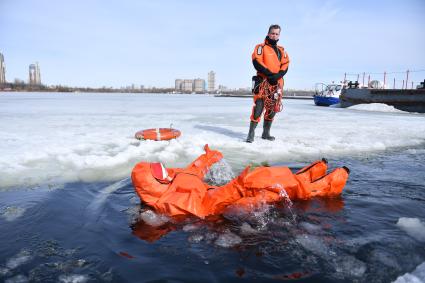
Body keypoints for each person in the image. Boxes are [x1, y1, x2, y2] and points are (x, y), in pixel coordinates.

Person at [246, 24, 290, 143]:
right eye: (272, 33)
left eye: (276, 34)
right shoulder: (260, 47)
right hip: (263, 82)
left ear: (279, 35)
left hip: (277, 84)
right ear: (268, 33)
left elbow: (286, 65)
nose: (274, 35)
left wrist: (277, 76)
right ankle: (251, 134)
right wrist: (270, 75)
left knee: (273, 108)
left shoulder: (282, 50)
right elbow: (257, 62)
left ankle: (266, 133)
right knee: (258, 108)